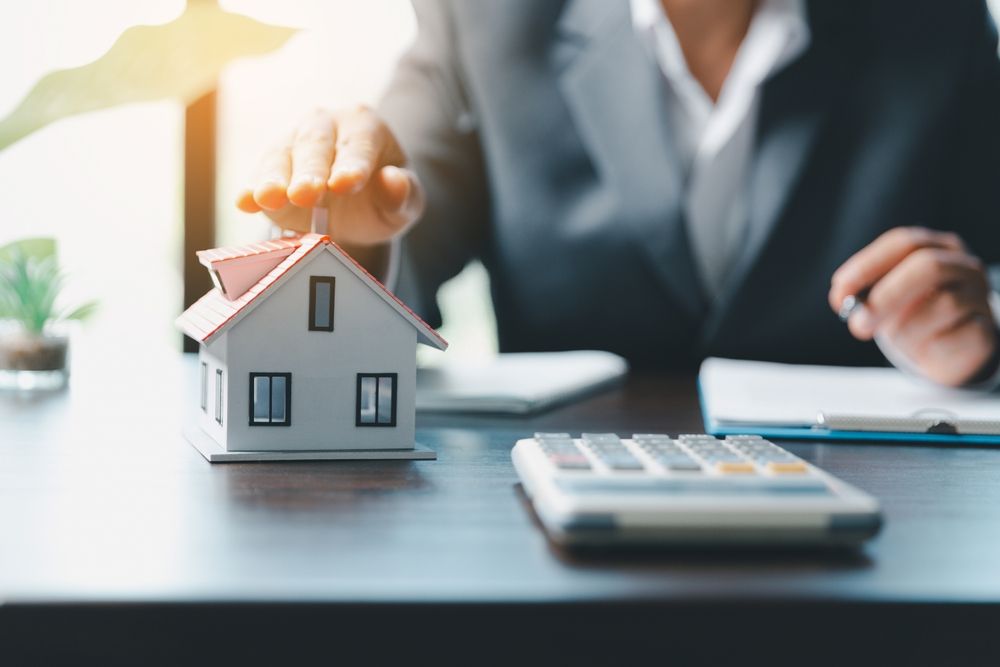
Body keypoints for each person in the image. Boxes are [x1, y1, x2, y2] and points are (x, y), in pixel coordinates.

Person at [237, 0, 1000, 386]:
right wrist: (352, 238)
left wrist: (979, 333)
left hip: (873, 534)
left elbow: (989, 268)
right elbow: (393, 231)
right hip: (563, 528)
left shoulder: (933, 20)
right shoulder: (486, 17)